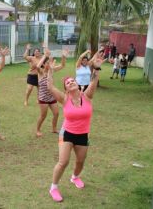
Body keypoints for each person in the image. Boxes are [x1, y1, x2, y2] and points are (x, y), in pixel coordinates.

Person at [47, 51, 106, 202]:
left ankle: (75, 177)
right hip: (67, 133)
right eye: (68, 83)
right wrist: (50, 71)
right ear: (66, 89)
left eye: (73, 81)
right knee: (63, 162)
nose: (71, 82)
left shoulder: (87, 96)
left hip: (82, 134)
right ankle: (53, 187)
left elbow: (93, 82)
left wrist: (97, 68)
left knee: (80, 161)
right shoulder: (64, 99)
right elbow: (50, 86)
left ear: (78, 84)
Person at [35, 47, 68, 137]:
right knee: (43, 116)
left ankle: (54, 129)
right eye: (47, 63)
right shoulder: (41, 72)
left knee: (56, 113)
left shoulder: (52, 70)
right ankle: (37, 130)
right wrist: (45, 55)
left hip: (52, 97)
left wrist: (63, 56)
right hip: (43, 98)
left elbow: (62, 65)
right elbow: (37, 66)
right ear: (44, 64)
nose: (49, 64)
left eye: (50, 63)